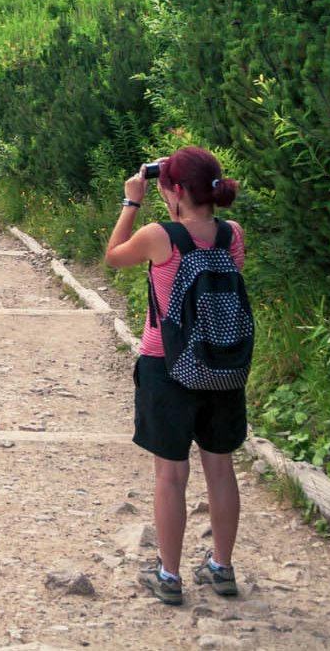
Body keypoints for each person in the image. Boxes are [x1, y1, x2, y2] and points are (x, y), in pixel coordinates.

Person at [105, 147, 246, 606]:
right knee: (221, 469)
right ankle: (221, 568)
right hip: (223, 368)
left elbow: (113, 257)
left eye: (167, 185)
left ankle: (169, 576)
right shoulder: (232, 234)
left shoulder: (157, 235)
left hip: (166, 366)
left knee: (170, 475)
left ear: (178, 191)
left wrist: (131, 201)